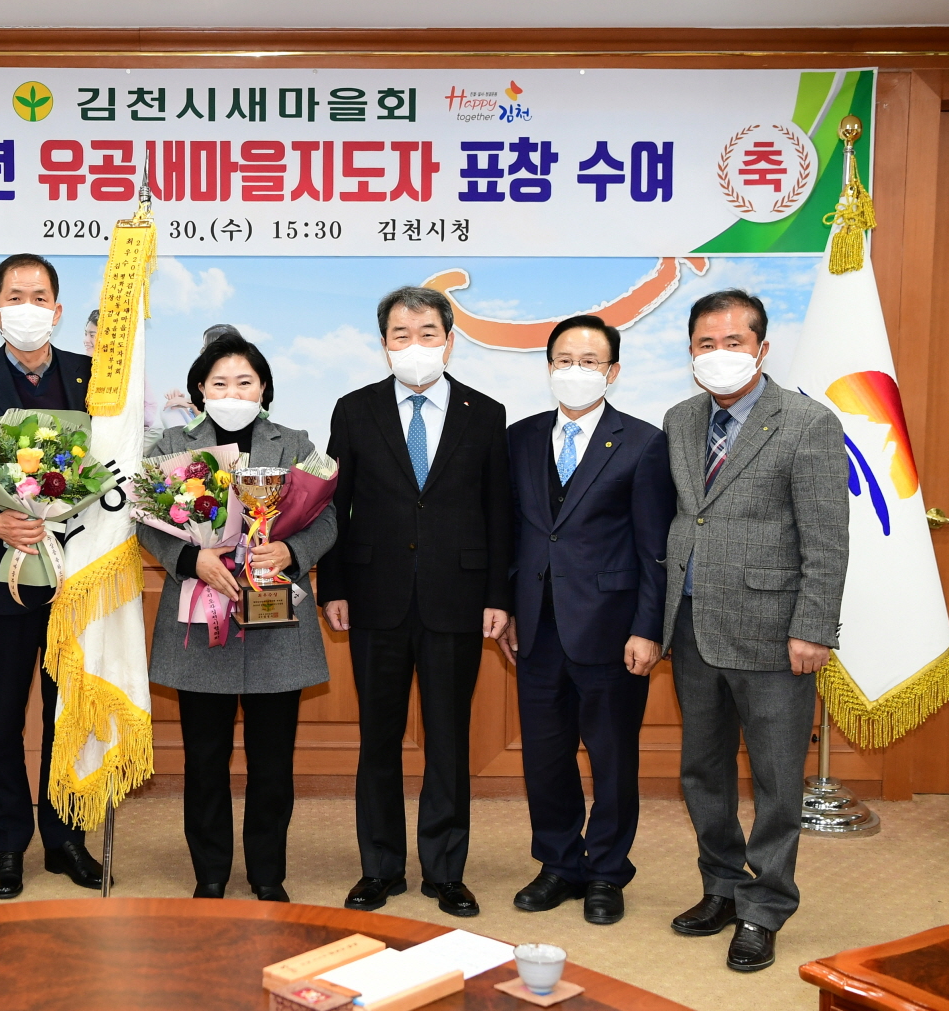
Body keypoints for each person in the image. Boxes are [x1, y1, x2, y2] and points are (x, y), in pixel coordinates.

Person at [662, 289, 847, 972]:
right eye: (706, 344)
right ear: (691, 352)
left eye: (733, 342)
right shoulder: (681, 419)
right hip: (692, 626)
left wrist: (813, 627)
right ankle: (721, 886)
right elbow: (689, 518)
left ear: (762, 349)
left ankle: (764, 908)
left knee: (774, 780)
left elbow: (826, 537)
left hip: (775, 632)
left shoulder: (807, 422)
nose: (719, 355)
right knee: (702, 770)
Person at [316, 286, 511, 919]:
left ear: (449, 341)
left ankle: (446, 871)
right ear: (384, 344)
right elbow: (334, 506)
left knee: (449, 740)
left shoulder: (486, 413)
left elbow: (499, 513)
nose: (415, 345)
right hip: (374, 596)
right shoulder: (354, 410)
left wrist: (498, 595)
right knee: (378, 739)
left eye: (428, 333)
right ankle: (379, 868)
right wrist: (334, 585)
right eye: (401, 335)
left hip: (459, 598)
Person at [137, 333, 337, 903]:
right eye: (220, 383)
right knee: (205, 759)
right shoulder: (172, 445)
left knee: (272, 762)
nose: (233, 392)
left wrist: (292, 553)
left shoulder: (295, 444)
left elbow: (326, 519)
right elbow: (145, 519)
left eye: (244, 382)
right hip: (201, 622)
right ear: (200, 389)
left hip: (276, 623)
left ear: (264, 388)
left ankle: (268, 874)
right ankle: (210, 874)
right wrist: (191, 560)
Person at [0, 253, 104, 898]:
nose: (27, 308)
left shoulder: (94, 379)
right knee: (3, 715)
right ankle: (8, 844)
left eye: (39, 297)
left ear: (57, 310)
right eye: (15, 296)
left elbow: (113, 468)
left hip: (77, 578)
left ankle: (66, 839)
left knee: (69, 713)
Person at [501, 315, 674, 925]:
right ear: (549, 368)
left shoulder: (644, 443)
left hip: (613, 628)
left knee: (612, 757)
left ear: (613, 371)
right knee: (545, 756)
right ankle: (558, 864)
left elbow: (656, 548)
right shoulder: (519, 438)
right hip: (536, 627)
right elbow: (511, 533)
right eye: (564, 360)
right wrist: (509, 607)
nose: (575, 371)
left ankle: (606, 871)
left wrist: (648, 628)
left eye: (590, 361)